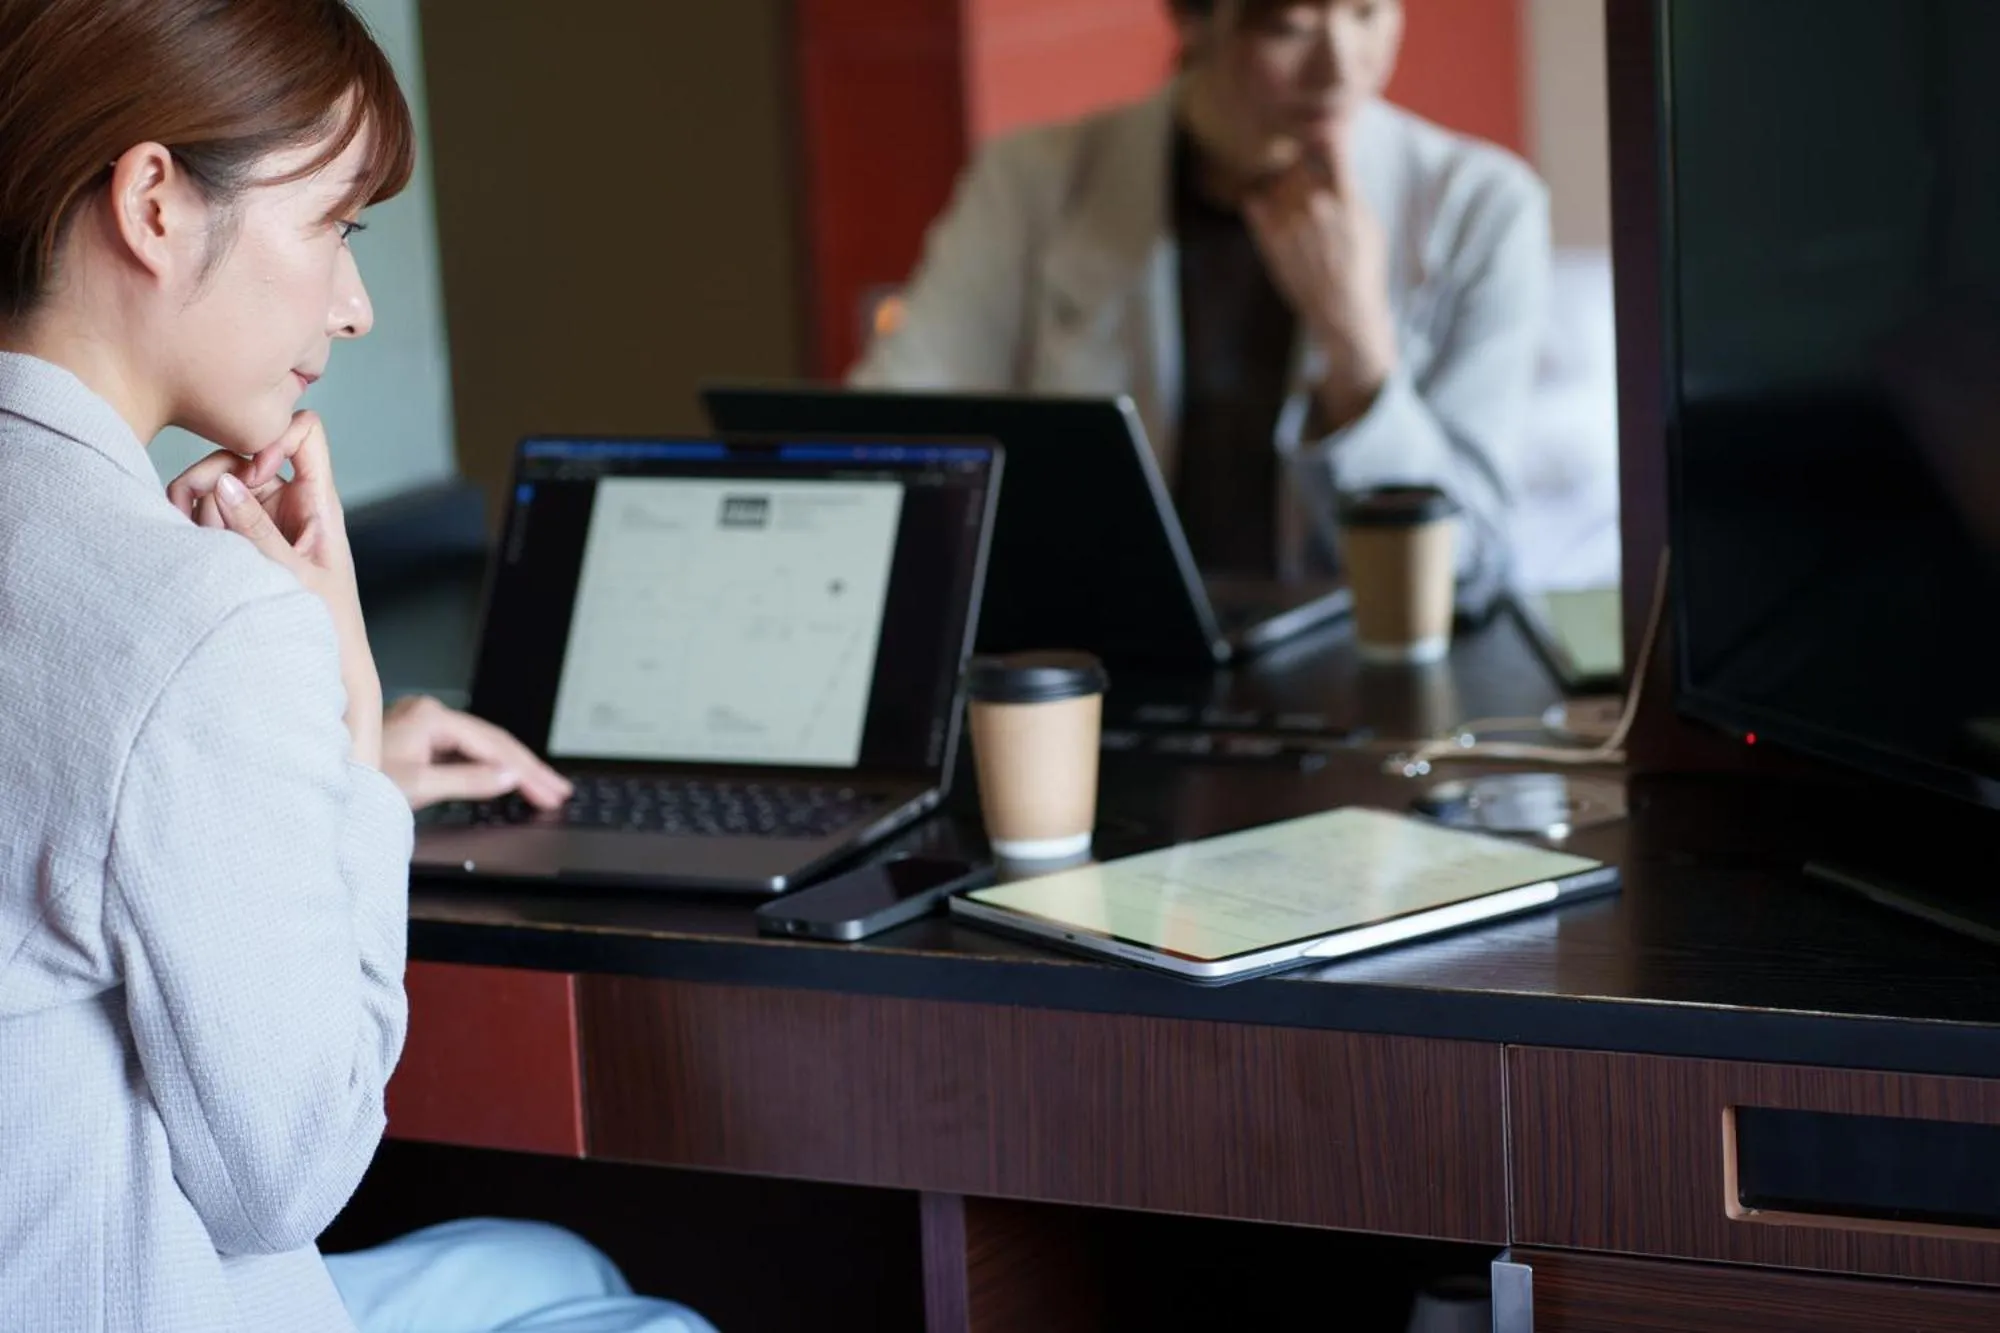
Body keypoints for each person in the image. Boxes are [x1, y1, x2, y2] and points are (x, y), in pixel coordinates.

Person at [0, 2, 712, 1330]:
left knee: (557, 1268)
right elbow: (288, 1179)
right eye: (336, 224)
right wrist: (344, 724)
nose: (355, 303)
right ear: (152, 202)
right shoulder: (196, 620)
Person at [854, 0, 1550, 603]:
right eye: (1290, 26)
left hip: (1369, 672)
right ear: (1193, 19)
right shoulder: (1032, 184)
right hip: (1107, 659)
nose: (1342, 68)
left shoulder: (1481, 206)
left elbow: (1473, 561)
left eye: (1369, 13)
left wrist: (1356, 342)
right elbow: (891, 444)